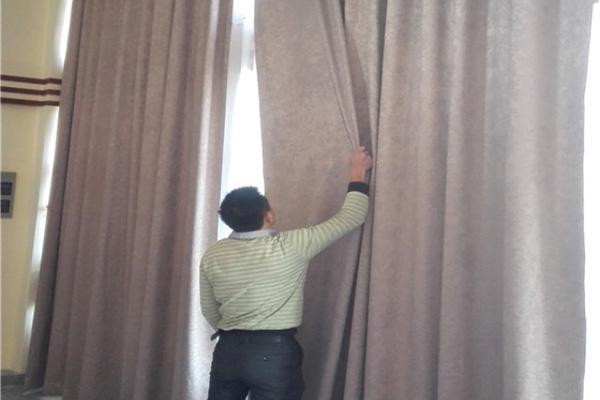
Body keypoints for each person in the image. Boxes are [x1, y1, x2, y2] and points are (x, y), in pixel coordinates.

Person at [200, 146, 373, 400]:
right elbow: (351, 216)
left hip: (228, 351)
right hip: (274, 353)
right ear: (268, 215)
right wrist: (358, 172)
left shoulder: (213, 254)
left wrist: (237, 333)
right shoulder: (291, 245)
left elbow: (209, 309)